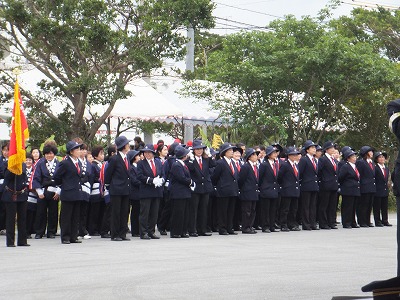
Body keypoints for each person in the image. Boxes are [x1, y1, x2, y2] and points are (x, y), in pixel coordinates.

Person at [53, 141, 86, 244]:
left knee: (75, 216)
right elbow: (56, 176)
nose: (79, 151)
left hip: (77, 191)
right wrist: (64, 185)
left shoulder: (78, 162)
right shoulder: (65, 163)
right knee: (67, 216)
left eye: (79, 149)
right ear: (71, 151)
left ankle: (73, 236)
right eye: (77, 149)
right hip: (68, 192)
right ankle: (66, 237)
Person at [104, 136, 131, 241]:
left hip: (125, 188)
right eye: (127, 144)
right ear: (123, 146)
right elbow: (108, 174)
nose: (128, 145)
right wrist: (108, 186)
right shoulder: (114, 158)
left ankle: (122, 233)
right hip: (116, 189)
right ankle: (115, 234)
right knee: (116, 212)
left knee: (124, 212)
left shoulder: (126, 157)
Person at [31, 143, 60, 239]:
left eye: (51, 153)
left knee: (53, 212)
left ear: (54, 154)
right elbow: (36, 178)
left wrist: (58, 191)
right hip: (43, 191)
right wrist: (39, 192)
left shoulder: (59, 164)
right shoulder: (40, 163)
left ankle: (51, 231)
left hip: (54, 192)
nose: (49, 155)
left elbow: (62, 178)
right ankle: (39, 232)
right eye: (47, 154)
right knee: (40, 212)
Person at [186, 140, 214, 237]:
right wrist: (191, 159)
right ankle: (192, 229)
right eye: (197, 149)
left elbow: (213, 165)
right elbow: (190, 169)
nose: (199, 151)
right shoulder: (191, 159)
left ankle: (202, 229)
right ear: (193, 150)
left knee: (203, 209)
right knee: (194, 210)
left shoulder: (206, 159)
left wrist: (210, 156)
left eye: (201, 149)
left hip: (205, 187)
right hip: (196, 187)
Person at [137, 144, 164, 240]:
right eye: (145, 152)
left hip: (157, 191)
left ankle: (151, 231)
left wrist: (161, 180)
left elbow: (163, 173)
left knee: (154, 213)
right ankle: (143, 232)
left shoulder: (158, 162)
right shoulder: (141, 163)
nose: (147, 154)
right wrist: (151, 180)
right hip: (146, 191)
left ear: (153, 153)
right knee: (145, 213)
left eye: (149, 152)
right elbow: (140, 176)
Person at [211, 142, 239, 235]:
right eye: (229, 150)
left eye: (232, 150)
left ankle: (229, 227)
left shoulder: (233, 162)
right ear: (224, 152)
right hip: (223, 190)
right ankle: (222, 228)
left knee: (231, 211)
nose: (232, 152)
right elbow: (215, 177)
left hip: (233, 189)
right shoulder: (220, 163)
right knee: (223, 210)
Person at [2, 160, 29, 247]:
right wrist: (14, 167)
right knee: (11, 218)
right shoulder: (7, 164)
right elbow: (7, 176)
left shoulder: (23, 164)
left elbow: (24, 177)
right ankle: (10, 241)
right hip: (10, 194)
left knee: (23, 218)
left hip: (21, 193)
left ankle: (22, 240)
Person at [169, 146, 193, 238]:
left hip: (184, 192)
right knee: (178, 213)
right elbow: (181, 178)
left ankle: (183, 231)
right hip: (178, 193)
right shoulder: (176, 165)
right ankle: (176, 232)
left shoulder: (182, 164)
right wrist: (190, 181)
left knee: (185, 213)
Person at [277, 147, 301, 232]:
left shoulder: (296, 164)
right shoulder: (285, 164)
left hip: (295, 189)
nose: (295, 156)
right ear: (289, 156)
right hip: (287, 189)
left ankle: (292, 223)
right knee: (285, 209)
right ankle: (283, 224)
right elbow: (279, 177)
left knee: (294, 208)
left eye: (296, 154)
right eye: (293, 155)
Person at [298, 140, 319, 231]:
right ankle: (306, 224)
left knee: (313, 205)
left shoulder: (314, 159)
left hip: (314, 185)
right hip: (306, 185)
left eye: (315, 148)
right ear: (307, 150)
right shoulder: (304, 159)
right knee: (306, 206)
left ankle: (312, 223)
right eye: (312, 148)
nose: (315, 149)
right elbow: (300, 173)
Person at [317, 141, 339, 230]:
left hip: (333, 185)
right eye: (331, 148)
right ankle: (323, 223)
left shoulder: (333, 159)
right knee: (324, 205)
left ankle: (331, 222)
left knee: (332, 205)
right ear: (327, 149)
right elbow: (319, 172)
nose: (333, 149)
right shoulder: (323, 159)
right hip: (325, 185)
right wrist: (322, 181)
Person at [238, 148, 260, 234]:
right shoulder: (246, 167)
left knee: (252, 210)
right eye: (254, 155)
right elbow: (241, 179)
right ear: (249, 157)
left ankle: (250, 226)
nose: (256, 156)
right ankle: (245, 227)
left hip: (254, 191)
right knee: (246, 211)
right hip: (247, 191)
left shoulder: (255, 166)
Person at [258, 146, 280, 233]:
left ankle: (271, 225)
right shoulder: (264, 164)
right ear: (269, 154)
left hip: (274, 189)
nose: (275, 154)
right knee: (265, 210)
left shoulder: (276, 164)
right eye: (273, 153)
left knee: (273, 209)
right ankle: (265, 226)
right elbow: (260, 177)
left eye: (276, 153)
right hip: (266, 189)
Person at [338, 149, 360, 229]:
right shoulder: (345, 166)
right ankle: (346, 222)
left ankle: (353, 221)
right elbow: (340, 177)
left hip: (355, 189)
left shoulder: (355, 166)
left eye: (355, 156)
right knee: (348, 206)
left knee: (353, 206)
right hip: (348, 189)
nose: (355, 158)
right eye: (352, 156)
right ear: (348, 158)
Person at [356, 145, 376, 227]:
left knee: (369, 205)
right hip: (364, 186)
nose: (371, 153)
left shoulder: (372, 162)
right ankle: (362, 221)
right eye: (370, 151)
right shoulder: (361, 162)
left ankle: (368, 220)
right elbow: (359, 174)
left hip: (371, 186)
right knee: (363, 204)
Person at [87, 145, 105, 236]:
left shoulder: (102, 164)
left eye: (103, 153)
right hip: (95, 191)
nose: (103, 155)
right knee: (94, 211)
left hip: (102, 190)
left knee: (101, 211)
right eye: (101, 153)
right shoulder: (93, 165)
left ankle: (99, 228)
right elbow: (92, 178)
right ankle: (92, 229)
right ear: (95, 155)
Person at [373, 151, 391, 227]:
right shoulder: (375, 168)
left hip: (384, 190)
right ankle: (377, 221)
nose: (382, 158)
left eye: (383, 157)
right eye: (380, 157)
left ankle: (385, 220)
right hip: (377, 190)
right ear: (377, 159)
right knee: (377, 207)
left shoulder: (386, 168)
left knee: (384, 206)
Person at [127, 150, 141, 237]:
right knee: (135, 212)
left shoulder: (136, 166)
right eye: (137, 156)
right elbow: (134, 180)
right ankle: (135, 230)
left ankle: (137, 229)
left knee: (138, 211)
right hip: (134, 192)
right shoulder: (131, 167)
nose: (139, 157)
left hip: (138, 192)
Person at [25, 153, 38, 238]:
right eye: (26, 160)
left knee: (31, 215)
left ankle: (29, 231)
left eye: (30, 160)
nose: (28, 161)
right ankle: (24, 232)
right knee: (24, 215)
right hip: (24, 195)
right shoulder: (21, 169)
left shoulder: (35, 170)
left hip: (33, 196)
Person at [0, 143, 9, 235]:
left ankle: (6, 227)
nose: (6, 152)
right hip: (1, 186)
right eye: (4, 150)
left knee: (7, 208)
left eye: (8, 150)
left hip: (9, 187)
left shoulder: (13, 160)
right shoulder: (0, 160)